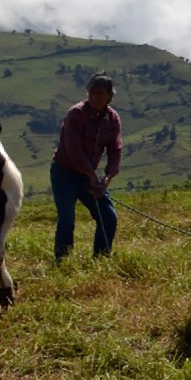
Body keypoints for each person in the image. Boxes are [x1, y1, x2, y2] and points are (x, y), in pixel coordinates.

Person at [50, 73, 123, 260]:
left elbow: (115, 149)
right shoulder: (76, 114)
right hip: (64, 173)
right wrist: (91, 175)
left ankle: (101, 258)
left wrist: (107, 177)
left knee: (108, 216)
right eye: (92, 92)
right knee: (67, 219)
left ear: (109, 96)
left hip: (87, 175)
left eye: (100, 93)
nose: (95, 97)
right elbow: (74, 150)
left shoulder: (112, 119)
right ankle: (62, 261)